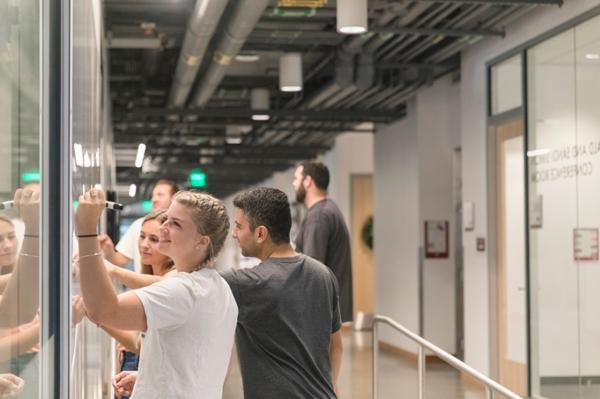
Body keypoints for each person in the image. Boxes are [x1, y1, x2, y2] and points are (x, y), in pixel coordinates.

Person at [75, 188, 237, 399]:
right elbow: (198, 363)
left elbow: (104, 311)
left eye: (175, 224)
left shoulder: (183, 291)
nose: (164, 228)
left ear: (202, 242)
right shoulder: (218, 287)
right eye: (167, 220)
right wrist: (148, 379)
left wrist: (86, 230)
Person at [221, 187, 343, 399]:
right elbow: (336, 346)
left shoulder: (245, 284)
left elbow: (189, 286)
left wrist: (141, 279)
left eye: (239, 226)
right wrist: (331, 388)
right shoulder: (324, 274)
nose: (234, 234)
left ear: (261, 233)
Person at [293, 160, 354, 323]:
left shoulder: (319, 216)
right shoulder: (328, 210)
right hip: (328, 311)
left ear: (307, 181)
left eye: (296, 178)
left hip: (321, 313)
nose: (294, 183)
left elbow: (311, 269)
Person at [99, 179, 178, 271]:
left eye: (160, 195)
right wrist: (108, 249)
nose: (154, 199)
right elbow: (119, 261)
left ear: (174, 198)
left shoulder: (179, 229)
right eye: (142, 236)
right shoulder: (138, 225)